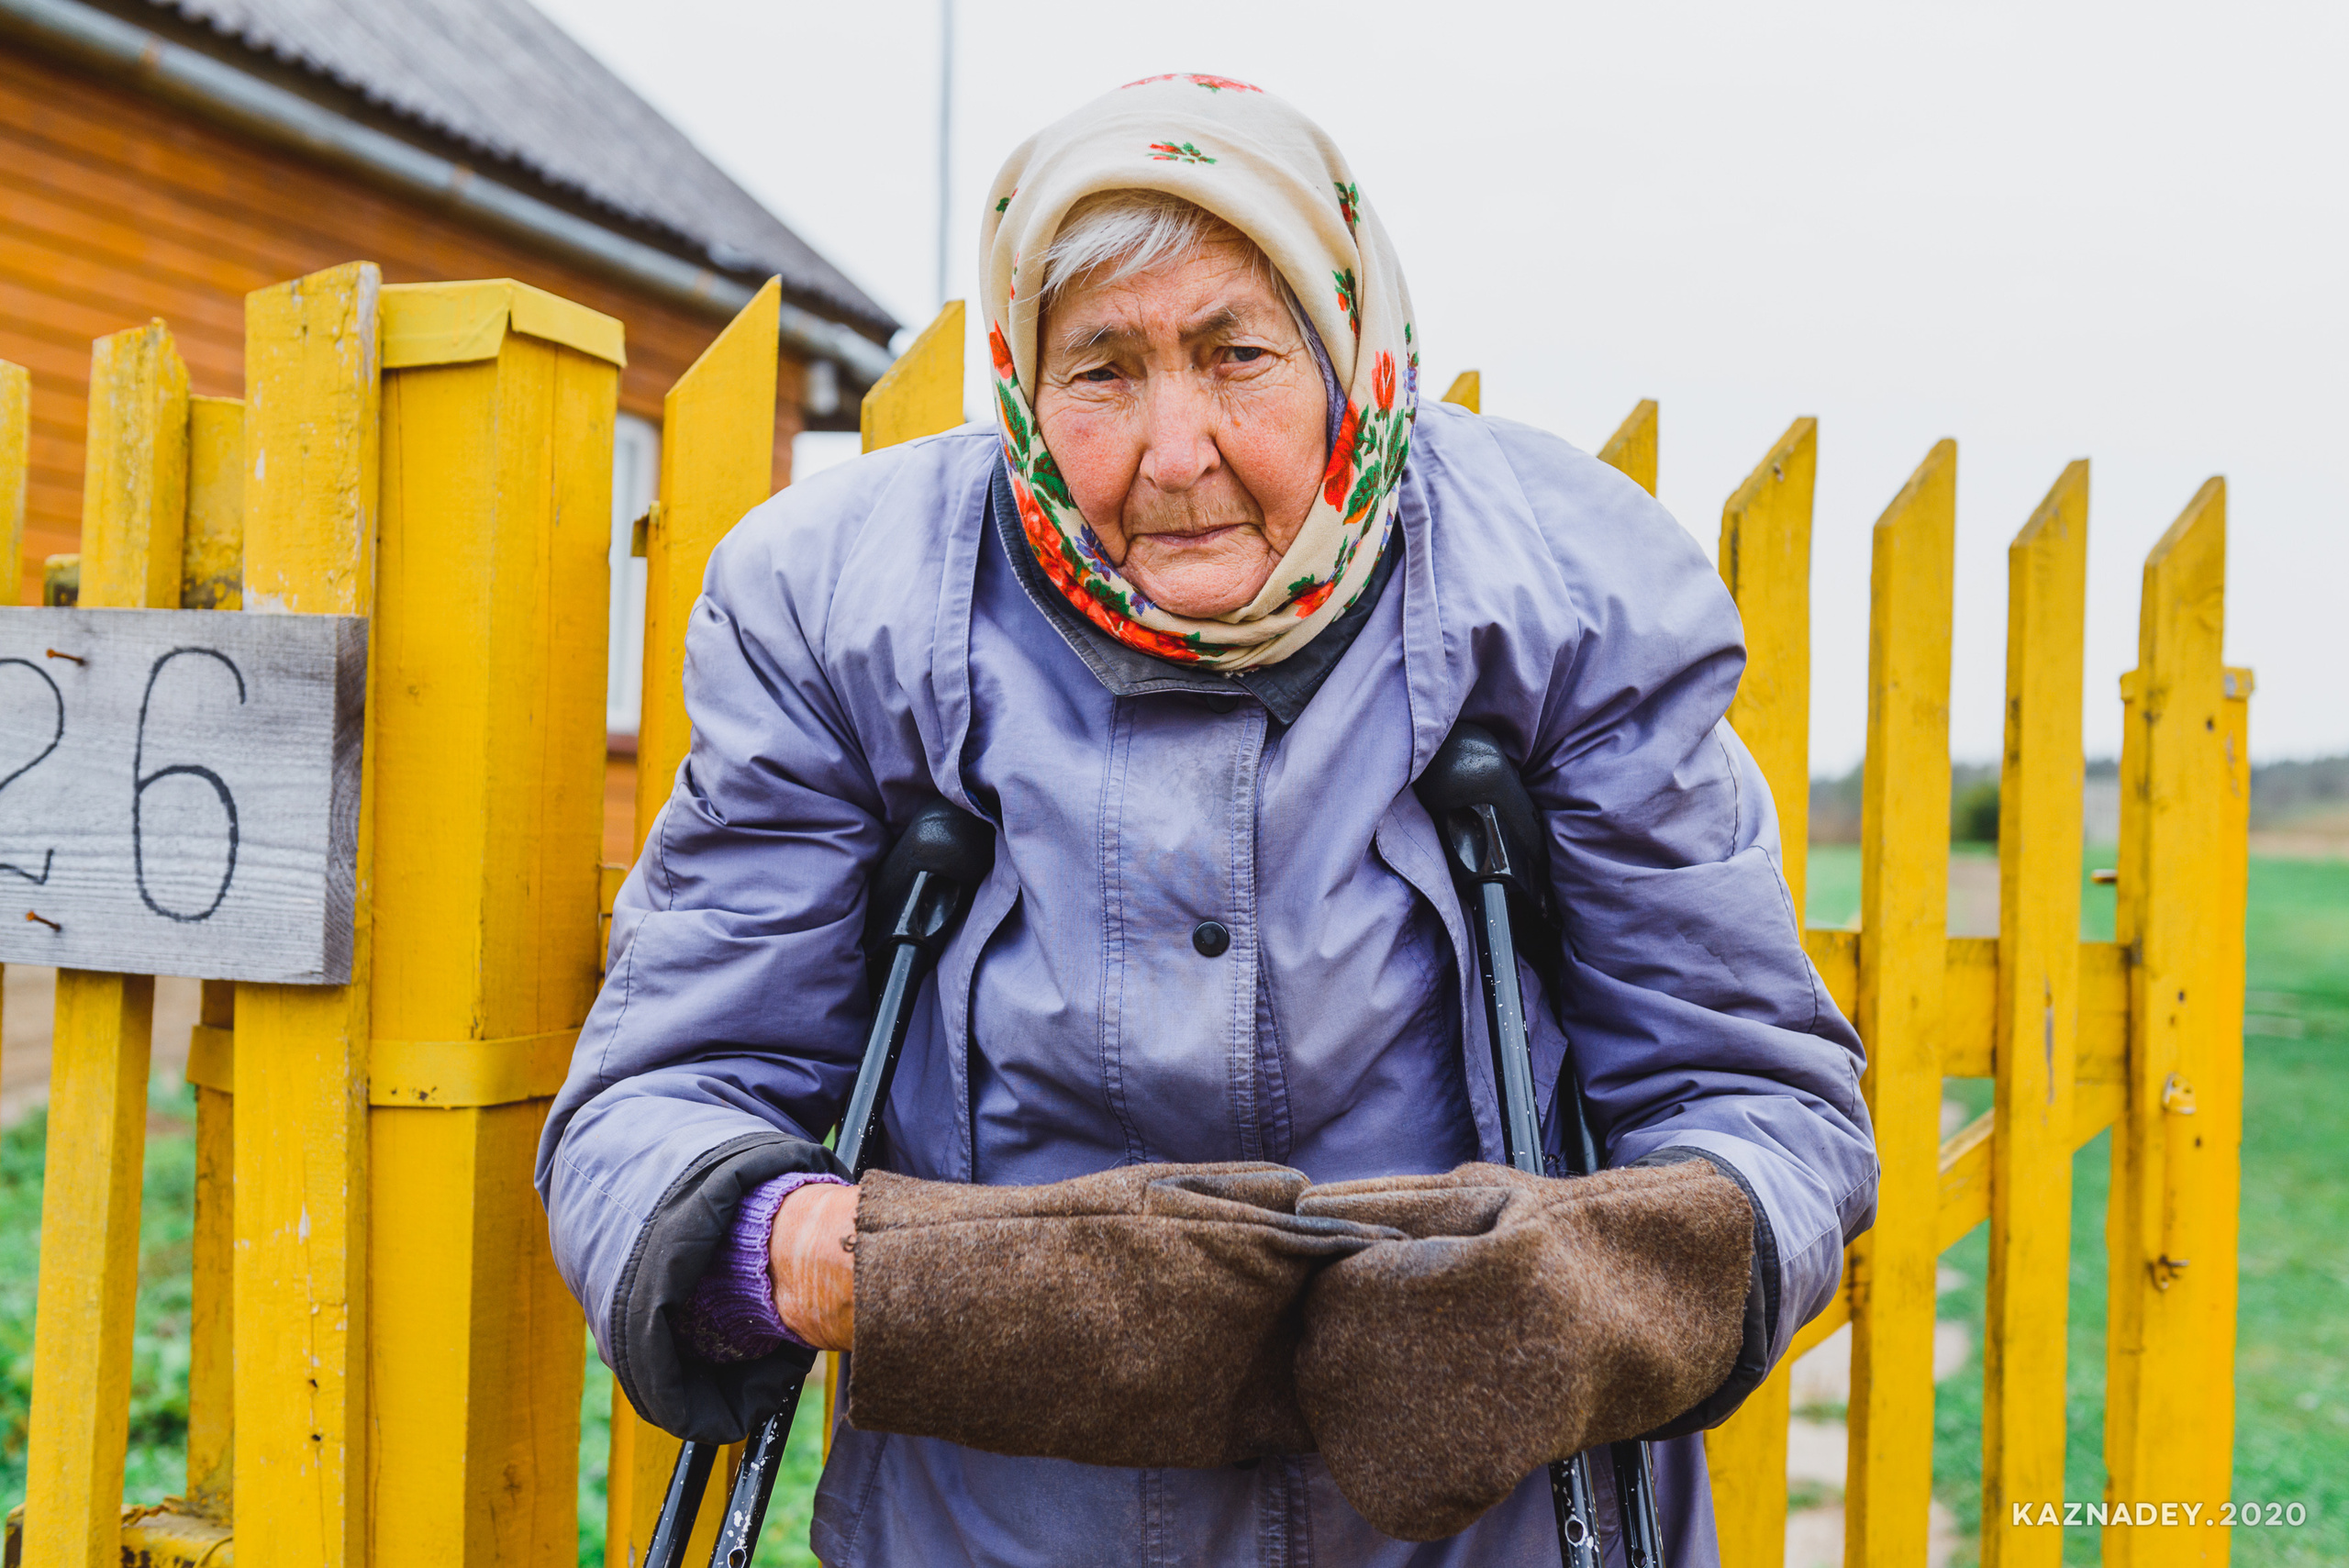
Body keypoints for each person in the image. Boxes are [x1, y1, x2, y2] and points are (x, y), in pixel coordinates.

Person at [538, 74, 1875, 1567]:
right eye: (1101, 369)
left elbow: (1768, 1109)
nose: (1174, 453)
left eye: (1238, 353)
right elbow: (656, 1101)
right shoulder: (838, 612)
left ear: (1350, 348)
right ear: (1020, 385)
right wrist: (844, 1270)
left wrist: (1587, 1293)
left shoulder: (1575, 600)